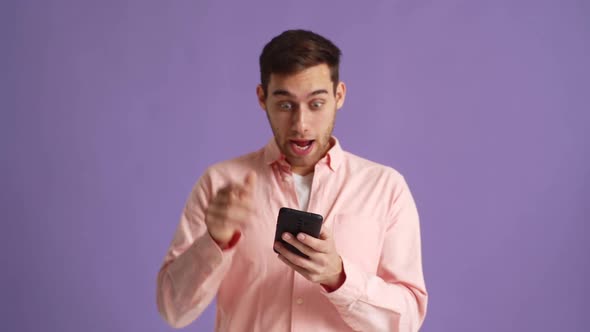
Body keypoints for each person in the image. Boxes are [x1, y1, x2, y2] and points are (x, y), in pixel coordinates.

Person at [156, 29, 428, 332]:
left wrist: (338, 276)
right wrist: (214, 242)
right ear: (263, 98)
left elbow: (408, 320)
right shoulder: (220, 184)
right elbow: (173, 310)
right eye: (286, 105)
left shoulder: (385, 188)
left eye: (316, 104)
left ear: (339, 96)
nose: (300, 124)